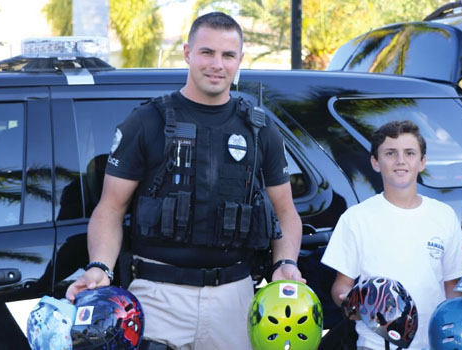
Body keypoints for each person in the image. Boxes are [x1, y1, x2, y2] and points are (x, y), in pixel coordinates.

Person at [65, 12, 304, 350]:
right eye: (207, 52)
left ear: (240, 60)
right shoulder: (147, 121)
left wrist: (285, 264)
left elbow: (286, 212)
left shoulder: (260, 129)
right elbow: (110, 208)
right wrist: (99, 267)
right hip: (157, 296)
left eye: (228, 55)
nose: (217, 64)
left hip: (234, 299)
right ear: (188, 53)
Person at [322, 120, 462, 350]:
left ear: (422, 162)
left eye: (409, 153)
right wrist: (352, 301)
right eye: (390, 153)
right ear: (375, 162)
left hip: (433, 344)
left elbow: (453, 286)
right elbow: (341, 286)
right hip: (374, 345)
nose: (400, 161)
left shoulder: (444, 215)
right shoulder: (356, 218)